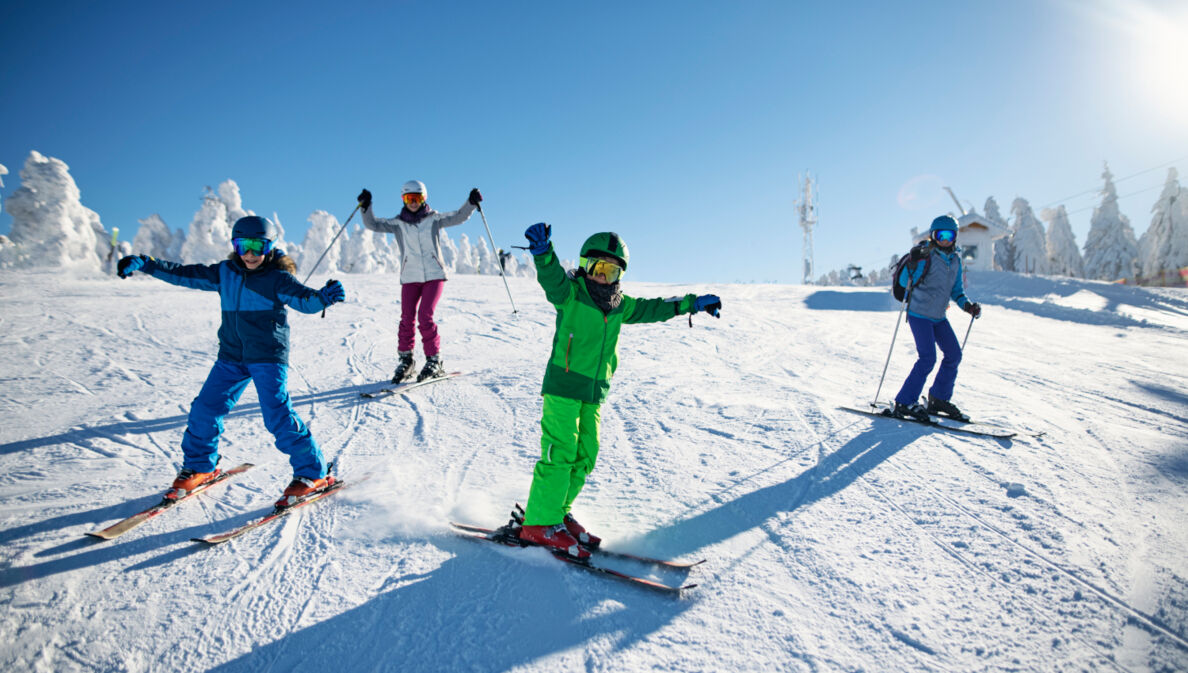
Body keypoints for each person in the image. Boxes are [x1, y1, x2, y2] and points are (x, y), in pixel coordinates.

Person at [513, 224, 722, 558]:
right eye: (597, 268)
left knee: (586, 454)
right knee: (561, 451)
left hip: (594, 392)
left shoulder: (621, 305)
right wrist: (543, 253)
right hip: (564, 386)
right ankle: (539, 523)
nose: (602, 277)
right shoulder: (571, 293)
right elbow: (552, 279)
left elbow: (658, 306)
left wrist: (692, 304)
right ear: (585, 265)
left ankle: (557, 511)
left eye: (611, 271)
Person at [116, 216, 346, 509]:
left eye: (257, 246)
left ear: (269, 246)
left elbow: (305, 301)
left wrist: (324, 298)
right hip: (231, 357)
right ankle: (201, 466)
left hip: (267, 357)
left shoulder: (278, 279)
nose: (249, 254)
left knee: (276, 416)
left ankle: (313, 473)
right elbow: (183, 273)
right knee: (204, 409)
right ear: (234, 246)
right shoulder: (225, 272)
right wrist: (146, 263)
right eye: (242, 246)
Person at [356, 181, 482, 383]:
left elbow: (458, 217)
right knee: (406, 318)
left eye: (417, 198)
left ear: (424, 199)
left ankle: (434, 360)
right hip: (410, 278)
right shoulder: (398, 224)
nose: (413, 203)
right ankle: (406, 361)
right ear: (403, 200)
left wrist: (471, 203)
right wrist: (366, 206)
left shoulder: (434, 219)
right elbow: (373, 224)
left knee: (425, 315)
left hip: (434, 276)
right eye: (409, 199)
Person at [891, 214, 982, 422]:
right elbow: (905, 282)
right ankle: (905, 401)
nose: (944, 240)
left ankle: (938, 398)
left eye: (949, 235)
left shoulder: (956, 261)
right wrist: (913, 261)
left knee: (954, 355)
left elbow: (957, 291)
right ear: (933, 235)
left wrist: (967, 306)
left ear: (955, 237)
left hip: (938, 317)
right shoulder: (925, 255)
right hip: (919, 314)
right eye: (940, 235)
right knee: (927, 358)